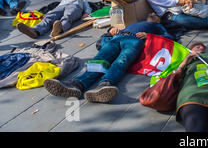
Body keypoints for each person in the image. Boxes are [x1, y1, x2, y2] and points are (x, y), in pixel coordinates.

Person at [43, 20, 172, 103]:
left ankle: (104, 85)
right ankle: (77, 84)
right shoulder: (132, 23)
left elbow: (169, 38)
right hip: (116, 38)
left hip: (135, 41)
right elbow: (105, 37)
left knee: (121, 61)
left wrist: (149, 35)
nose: (152, 15)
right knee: (99, 60)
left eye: (155, 15)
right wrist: (110, 31)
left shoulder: (157, 26)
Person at [17, 0, 92, 39]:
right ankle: (35, 31)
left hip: (75, 6)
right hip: (61, 7)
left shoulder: (82, 1)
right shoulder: (64, 0)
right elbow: (56, 8)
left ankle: (60, 28)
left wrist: (86, 13)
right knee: (50, 17)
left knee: (68, 16)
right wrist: (48, 13)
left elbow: (87, 7)